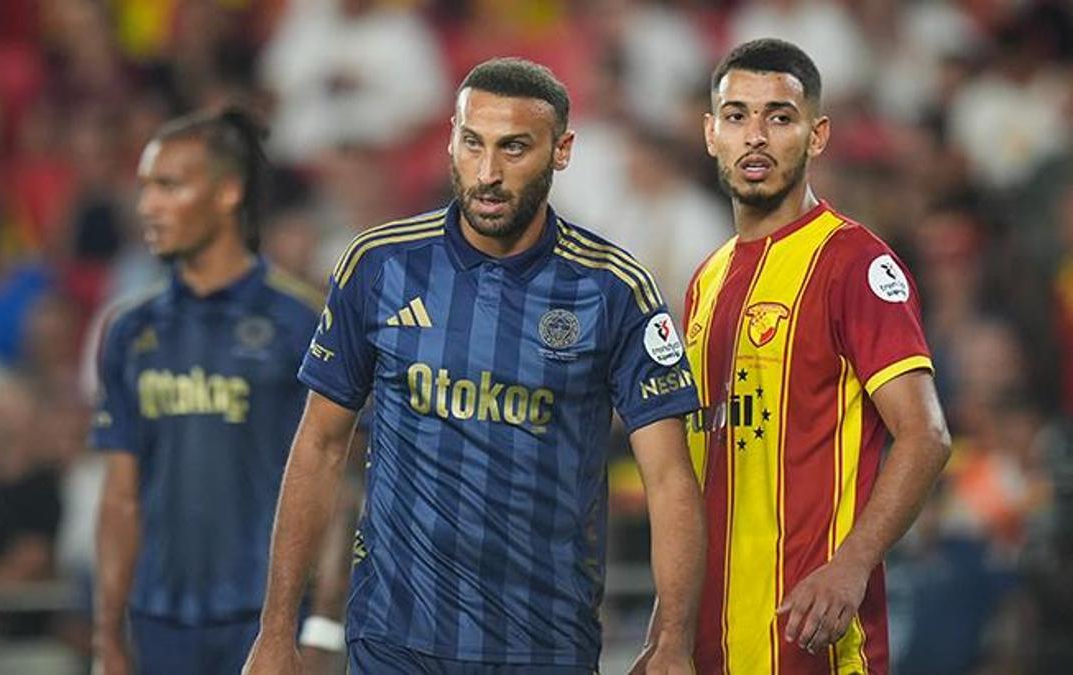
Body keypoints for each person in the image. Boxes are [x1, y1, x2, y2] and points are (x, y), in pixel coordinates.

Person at [244, 57, 706, 674]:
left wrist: (671, 638)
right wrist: (277, 630)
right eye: (473, 143)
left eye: (514, 148)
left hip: (545, 647)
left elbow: (670, 478)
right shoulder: (379, 266)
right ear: (451, 142)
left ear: (561, 151)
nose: (488, 173)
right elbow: (320, 446)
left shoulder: (614, 289)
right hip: (394, 642)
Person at [674, 39, 951, 674]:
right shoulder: (705, 281)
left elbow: (926, 435)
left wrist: (852, 565)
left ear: (816, 135)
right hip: (712, 643)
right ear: (711, 133)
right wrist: (669, 632)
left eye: (779, 117)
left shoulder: (854, 262)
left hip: (813, 639)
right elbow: (695, 472)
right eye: (737, 116)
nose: (756, 136)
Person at [89, 106, 344, 675]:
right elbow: (120, 495)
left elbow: (343, 481)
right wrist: (106, 637)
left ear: (228, 192)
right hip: (157, 624)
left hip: (267, 624)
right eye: (144, 188)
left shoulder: (300, 322)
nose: (147, 206)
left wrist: (323, 625)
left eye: (168, 186)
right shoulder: (129, 330)